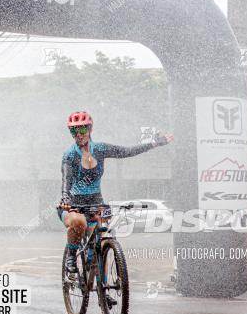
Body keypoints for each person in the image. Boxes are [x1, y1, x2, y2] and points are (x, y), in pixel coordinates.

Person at [59, 111, 171, 274]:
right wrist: (65, 198)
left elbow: (128, 151)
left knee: (103, 241)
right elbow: (66, 181)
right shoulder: (69, 155)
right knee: (79, 223)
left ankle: (104, 289)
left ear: (90, 129)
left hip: (96, 203)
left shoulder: (101, 149)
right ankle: (71, 257)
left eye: (82, 130)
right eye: (73, 131)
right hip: (73, 205)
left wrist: (155, 143)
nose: (78, 135)